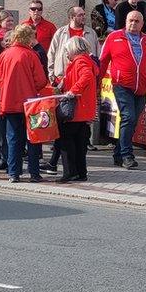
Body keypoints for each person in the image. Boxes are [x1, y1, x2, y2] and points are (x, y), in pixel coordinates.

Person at [99, 10, 146, 170]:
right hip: (122, 85)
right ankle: (127, 155)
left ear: (142, 24)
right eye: (130, 20)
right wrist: (97, 81)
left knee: (132, 122)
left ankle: (118, 154)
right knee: (128, 117)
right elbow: (103, 60)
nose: (133, 24)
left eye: (137, 21)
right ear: (126, 22)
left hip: (142, 87)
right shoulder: (114, 37)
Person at [0, 25, 50, 183]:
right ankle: (34, 173)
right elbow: (41, 80)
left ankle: (13, 173)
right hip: (30, 103)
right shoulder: (31, 55)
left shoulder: (4, 55)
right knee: (33, 138)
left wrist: (4, 89)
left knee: (12, 138)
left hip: (9, 102)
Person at [54, 36, 98, 184]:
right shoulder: (87, 61)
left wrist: (73, 90)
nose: (66, 54)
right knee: (80, 144)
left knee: (67, 142)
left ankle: (70, 172)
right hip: (84, 110)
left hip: (76, 109)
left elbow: (86, 77)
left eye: (67, 51)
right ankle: (81, 172)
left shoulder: (80, 62)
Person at [48, 6, 101, 85]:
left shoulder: (91, 33)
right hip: (63, 78)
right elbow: (51, 54)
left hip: (85, 78)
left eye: (84, 14)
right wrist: (52, 76)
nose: (84, 17)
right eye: (80, 15)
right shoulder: (60, 33)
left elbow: (98, 54)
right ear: (72, 17)